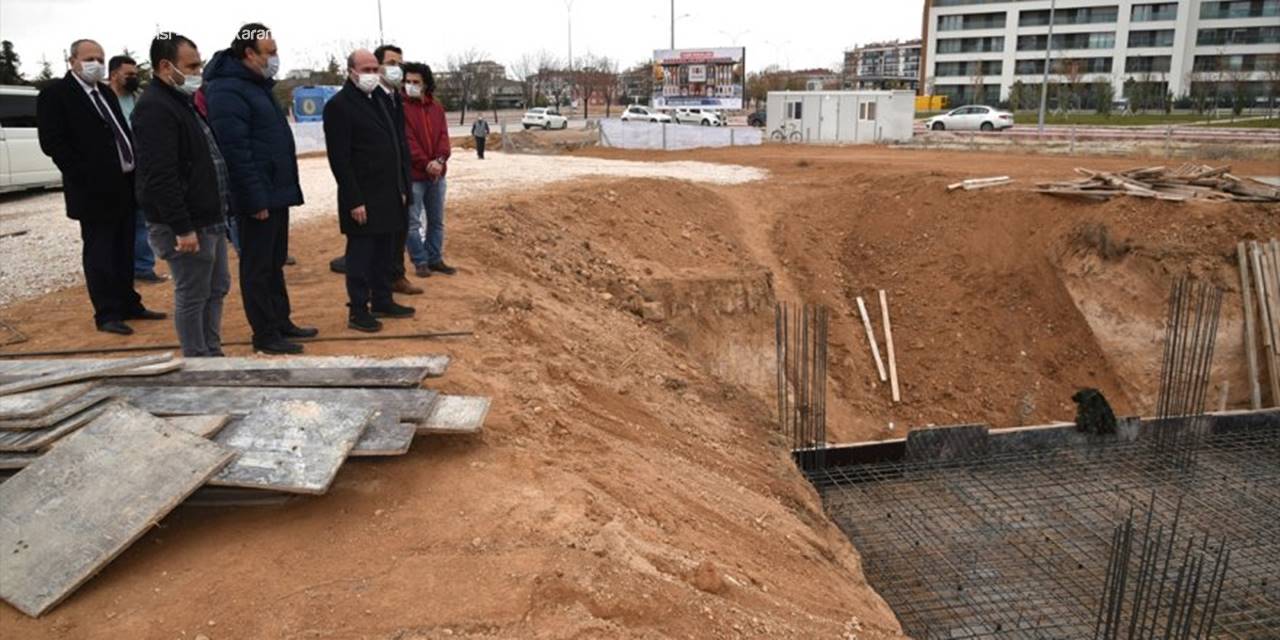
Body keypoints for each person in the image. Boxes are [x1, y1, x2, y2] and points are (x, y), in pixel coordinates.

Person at [37, 39, 166, 336]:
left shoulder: (105, 92)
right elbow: (53, 144)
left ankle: (129, 304)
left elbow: (120, 130)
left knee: (125, 249)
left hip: (125, 184)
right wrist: (86, 176)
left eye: (100, 57)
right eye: (89, 58)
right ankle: (107, 313)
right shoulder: (56, 95)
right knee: (101, 253)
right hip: (93, 191)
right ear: (72, 61)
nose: (95, 62)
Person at [204, 23, 316, 355]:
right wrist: (253, 197)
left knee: (274, 261)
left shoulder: (257, 85)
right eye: (270, 52)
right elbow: (235, 150)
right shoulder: (227, 89)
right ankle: (265, 334)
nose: (275, 58)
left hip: (275, 190)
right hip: (257, 196)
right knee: (257, 265)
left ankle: (281, 321)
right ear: (249, 53)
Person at [132, 33, 231, 358]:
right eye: (191, 65)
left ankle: (211, 352)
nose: (198, 72)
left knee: (216, 288)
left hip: (209, 218)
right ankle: (197, 359)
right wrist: (181, 227)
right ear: (165, 65)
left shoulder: (181, 102)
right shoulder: (155, 109)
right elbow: (161, 176)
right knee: (193, 293)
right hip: (188, 225)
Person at [324, 49, 415, 333]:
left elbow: (397, 145)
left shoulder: (383, 100)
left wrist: (402, 187)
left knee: (385, 252)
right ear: (351, 71)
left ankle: (383, 299)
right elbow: (340, 159)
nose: (372, 75)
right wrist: (354, 199)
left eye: (375, 69)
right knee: (361, 256)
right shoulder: (339, 106)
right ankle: (358, 310)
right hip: (362, 196)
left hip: (388, 192)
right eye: (366, 69)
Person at [109, 54, 165, 285]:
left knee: (142, 218)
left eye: (135, 74)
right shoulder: (104, 100)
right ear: (113, 75)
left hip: (141, 166)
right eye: (128, 74)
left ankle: (143, 267)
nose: (133, 78)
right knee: (117, 222)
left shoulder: (139, 98)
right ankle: (119, 269)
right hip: (115, 168)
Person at [373, 44, 422, 296]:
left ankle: (397, 275)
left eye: (399, 64)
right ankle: (383, 285)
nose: (397, 69)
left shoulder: (395, 98)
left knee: (400, 230)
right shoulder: (373, 98)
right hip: (383, 181)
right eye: (391, 63)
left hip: (403, 177)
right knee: (385, 236)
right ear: (378, 64)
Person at [401, 62, 455, 278]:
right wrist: (426, 163)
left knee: (436, 220)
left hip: (437, 175)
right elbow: (408, 141)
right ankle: (420, 260)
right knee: (412, 222)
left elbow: (443, 136)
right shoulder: (400, 108)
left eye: (416, 82)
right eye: (408, 82)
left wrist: (440, 161)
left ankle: (435, 258)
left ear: (425, 85)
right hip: (415, 176)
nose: (411, 85)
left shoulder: (436, 108)